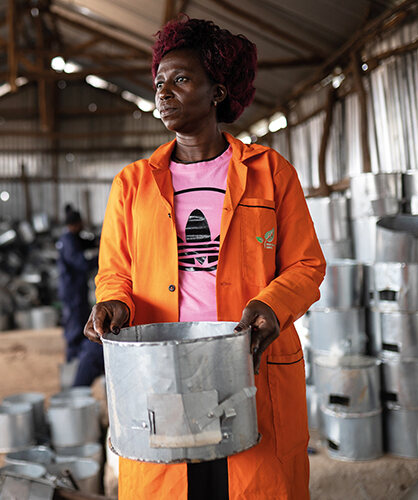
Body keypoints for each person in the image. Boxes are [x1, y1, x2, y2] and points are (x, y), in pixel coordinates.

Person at [84, 17, 325, 500]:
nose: (164, 92)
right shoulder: (132, 185)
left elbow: (306, 265)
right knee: (175, 482)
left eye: (181, 79)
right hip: (162, 368)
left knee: (251, 481)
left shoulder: (268, 172)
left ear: (218, 92)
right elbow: (115, 273)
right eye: (159, 82)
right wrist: (115, 303)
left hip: (247, 362)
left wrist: (273, 306)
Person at [56, 205, 100, 387]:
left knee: (80, 324)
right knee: (74, 329)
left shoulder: (73, 238)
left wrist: (100, 240)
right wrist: (101, 257)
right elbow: (81, 263)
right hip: (72, 292)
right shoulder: (68, 241)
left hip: (76, 290)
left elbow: (86, 242)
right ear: (75, 224)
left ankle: (77, 363)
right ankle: (72, 369)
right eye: (80, 223)